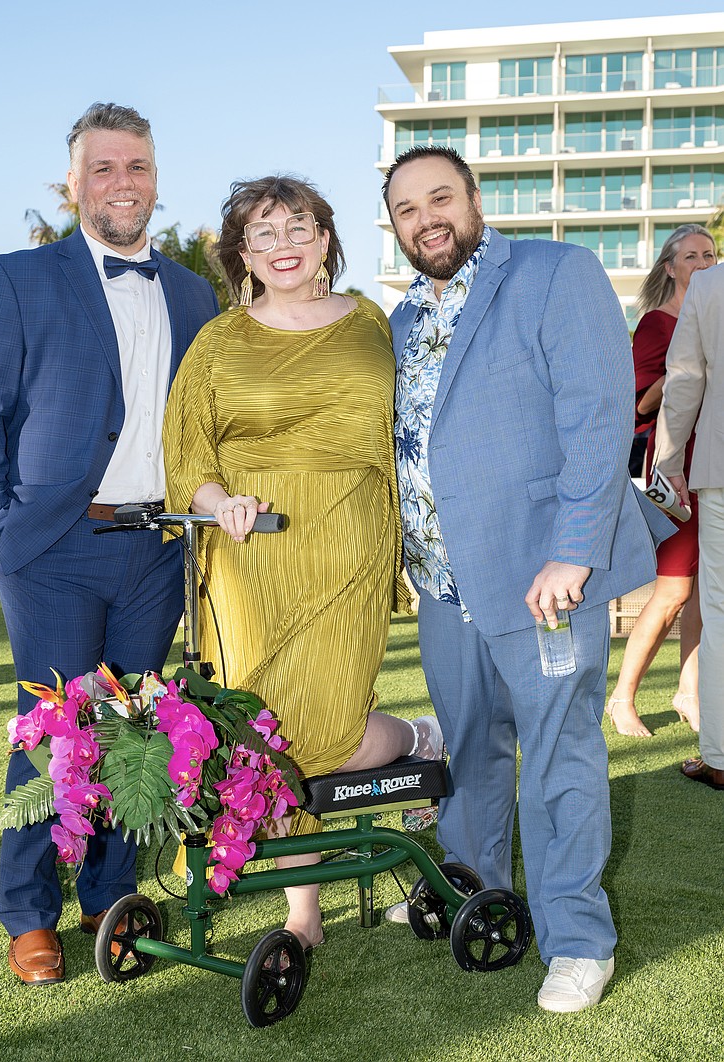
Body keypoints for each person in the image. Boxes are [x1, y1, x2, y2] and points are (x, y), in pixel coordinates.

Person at [382, 145, 674, 1012]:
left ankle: (577, 939)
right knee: (471, 747)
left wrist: (574, 549)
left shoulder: (555, 272)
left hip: (545, 576)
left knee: (558, 756)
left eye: (440, 197)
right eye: (406, 209)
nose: (427, 219)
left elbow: (598, 414)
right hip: (445, 586)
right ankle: (472, 890)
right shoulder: (400, 320)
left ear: (475, 198)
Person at [0, 102, 219, 985]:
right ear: (73, 184)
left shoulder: (194, 293)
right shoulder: (18, 278)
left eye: (136, 167)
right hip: (54, 548)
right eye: (103, 168)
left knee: (136, 730)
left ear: (156, 180)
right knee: (53, 733)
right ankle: (29, 915)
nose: (121, 183)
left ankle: (109, 895)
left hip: (157, 549)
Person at [162, 175, 439, 952]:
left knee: (326, 728)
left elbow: (409, 428)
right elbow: (187, 451)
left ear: (324, 240)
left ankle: (419, 738)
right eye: (263, 233)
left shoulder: (370, 321)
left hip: (350, 538)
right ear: (242, 255)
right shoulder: (218, 341)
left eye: (297, 228)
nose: (282, 244)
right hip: (249, 552)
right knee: (261, 733)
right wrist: (220, 502)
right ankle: (302, 911)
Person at [607, 225, 716, 737]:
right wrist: (689, 367)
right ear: (670, 268)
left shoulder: (714, 321)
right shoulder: (657, 323)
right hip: (674, 465)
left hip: (711, 462)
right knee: (672, 589)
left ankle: (688, 692)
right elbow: (641, 403)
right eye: (691, 256)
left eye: (709, 255)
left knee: (702, 591)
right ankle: (622, 697)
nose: (703, 263)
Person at [655, 262, 724, 792]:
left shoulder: (709, 284)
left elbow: (683, 381)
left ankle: (720, 756)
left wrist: (669, 460)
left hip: (721, 471)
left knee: (720, 613)